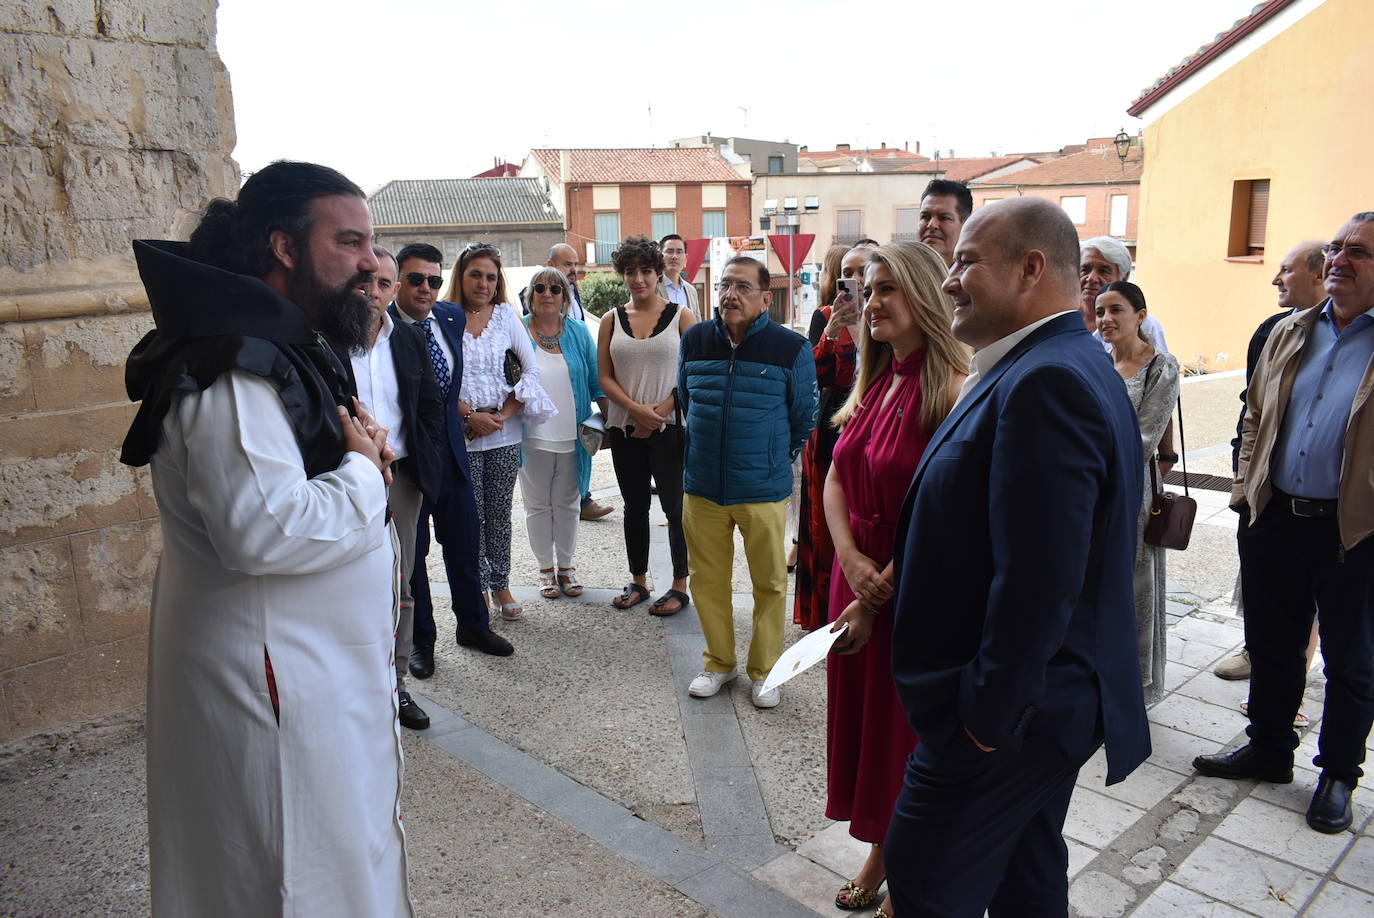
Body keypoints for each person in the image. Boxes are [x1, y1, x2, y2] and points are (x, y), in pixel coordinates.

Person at [121, 161, 413, 915]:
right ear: (283, 246)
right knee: (285, 873)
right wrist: (363, 472)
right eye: (349, 243)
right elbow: (264, 530)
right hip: (271, 689)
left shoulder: (276, 346)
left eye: (371, 244)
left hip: (306, 675)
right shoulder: (230, 374)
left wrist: (355, 457)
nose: (370, 264)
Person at [884, 197, 1150, 916]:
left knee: (922, 875)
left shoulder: (1048, 379)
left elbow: (1041, 580)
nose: (948, 281)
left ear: (1031, 268)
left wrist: (980, 723)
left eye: (967, 261)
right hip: (1041, 708)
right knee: (1025, 873)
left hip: (1012, 717)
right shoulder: (1053, 361)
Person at [1194, 213, 1374, 836]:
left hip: (1355, 533)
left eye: (1359, 253)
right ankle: (1269, 749)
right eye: (1336, 248)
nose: (1339, 260)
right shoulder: (1289, 331)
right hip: (1275, 519)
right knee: (1273, 644)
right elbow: (1253, 416)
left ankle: (1338, 775)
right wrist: (1246, 494)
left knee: (1351, 660)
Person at [822, 242, 968, 914]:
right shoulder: (875, 378)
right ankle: (882, 851)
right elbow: (833, 478)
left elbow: (955, 509)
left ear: (926, 296)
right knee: (867, 730)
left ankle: (905, 868)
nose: (871, 302)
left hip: (913, 587)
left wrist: (883, 581)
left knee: (905, 733)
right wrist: (850, 561)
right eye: (867, 288)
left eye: (887, 290)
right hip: (857, 579)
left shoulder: (955, 385)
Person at [679, 256, 818, 708]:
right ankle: (719, 663)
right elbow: (685, 398)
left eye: (741, 286)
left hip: (762, 488)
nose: (729, 294)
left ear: (764, 297)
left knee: (770, 583)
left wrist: (776, 457)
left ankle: (765, 671)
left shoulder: (789, 347)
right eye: (723, 285)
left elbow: (804, 416)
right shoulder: (696, 338)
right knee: (707, 580)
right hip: (702, 487)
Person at [393, 243, 513, 664]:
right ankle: (423, 642)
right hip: (409, 463)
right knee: (415, 555)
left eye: (433, 280)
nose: (426, 288)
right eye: (415, 279)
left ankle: (474, 627)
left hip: (452, 453)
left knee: (464, 543)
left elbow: (451, 390)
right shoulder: (384, 328)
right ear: (396, 281)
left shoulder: (450, 317)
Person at [343, 245, 445, 729]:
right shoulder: (326, 340)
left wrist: (426, 463)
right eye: (368, 282)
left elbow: (427, 405)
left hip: (402, 478)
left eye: (385, 284)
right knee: (350, 583)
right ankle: (354, 687)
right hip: (347, 480)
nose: (375, 292)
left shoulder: (406, 339)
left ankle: (397, 686)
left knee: (400, 582)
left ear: (394, 289)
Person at [1216, 241, 1327, 681]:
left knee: (1318, 595)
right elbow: (1252, 407)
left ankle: (1302, 666)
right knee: (1266, 588)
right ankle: (1260, 656)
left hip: (1326, 501)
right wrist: (1243, 480)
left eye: (1285, 269)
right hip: (1266, 487)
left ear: (1319, 275)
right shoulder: (1272, 331)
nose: (1275, 278)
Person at [441, 243, 555, 621]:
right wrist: (470, 415)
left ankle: (501, 583)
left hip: (504, 435)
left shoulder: (507, 317)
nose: (484, 283)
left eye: (491, 276)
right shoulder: (444, 317)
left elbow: (531, 371)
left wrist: (502, 415)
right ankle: (477, 586)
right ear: (461, 276)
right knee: (470, 515)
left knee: (499, 513)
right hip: (462, 435)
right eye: (476, 274)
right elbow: (436, 379)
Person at [1096, 281, 1181, 706]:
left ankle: (1131, 680)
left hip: (1133, 488)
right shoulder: (1094, 362)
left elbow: (1145, 436)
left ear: (1140, 316)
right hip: (1090, 485)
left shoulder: (1161, 366)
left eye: (1116, 309)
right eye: (1099, 311)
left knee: (1133, 578)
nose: (1106, 319)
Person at [519, 266, 608, 599]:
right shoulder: (519, 330)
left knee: (569, 504)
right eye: (540, 287)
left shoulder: (579, 331)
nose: (547, 294)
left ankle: (567, 570)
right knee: (538, 505)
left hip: (574, 436)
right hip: (533, 436)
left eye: (555, 289)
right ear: (531, 294)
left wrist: (609, 422)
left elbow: (596, 382)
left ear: (565, 296)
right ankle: (545, 571)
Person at [794, 244, 862, 630]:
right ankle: (825, 615)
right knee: (824, 527)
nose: (853, 281)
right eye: (847, 272)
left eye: (862, 273)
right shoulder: (825, 316)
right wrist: (835, 329)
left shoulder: (892, 318)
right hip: (831, 426)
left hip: (870, 425)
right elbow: (814, 378)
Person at [1080, 235, 1176, 476]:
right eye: (1085, 269)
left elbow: (1160, 398)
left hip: (1119, 471)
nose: (1092, 278)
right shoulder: (1065, 319)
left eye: (1103, 270)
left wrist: (1166, 456)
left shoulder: (1149, 331)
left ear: (1122, 277)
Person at [917, 178, 972, 267]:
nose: (931, 225)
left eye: (944, 218)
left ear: (966, 224)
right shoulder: (899, 275)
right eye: (925, 217)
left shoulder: (978, 278)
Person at [656, 233, 701, 317]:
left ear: (685, 259)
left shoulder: (691, 291)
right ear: (660, 256)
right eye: (670, 251)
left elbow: (697, 324)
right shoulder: (651, 288)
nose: (674, 256)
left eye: (679, 252)